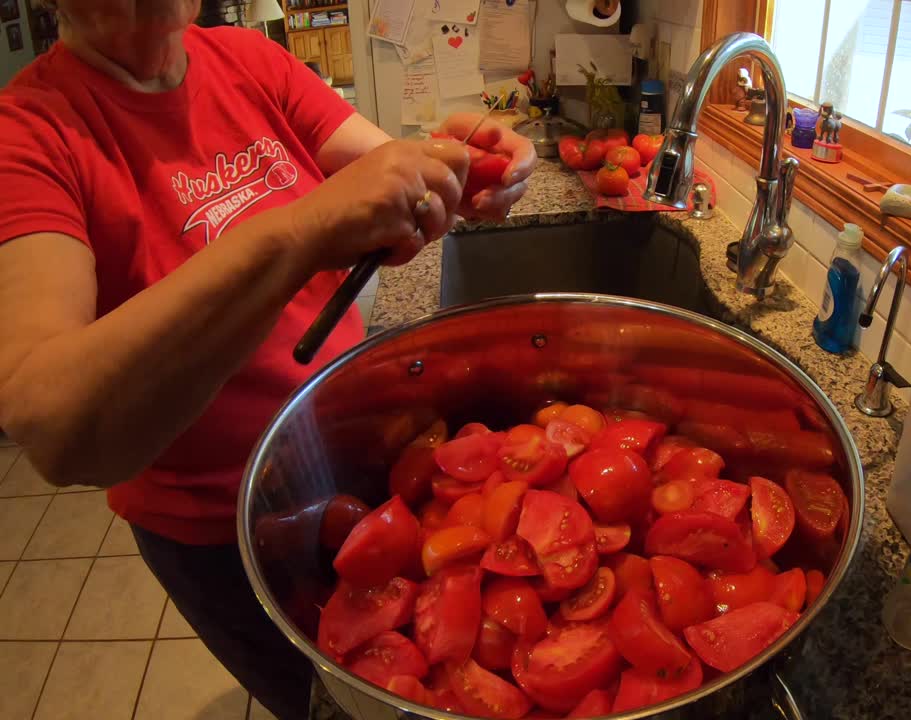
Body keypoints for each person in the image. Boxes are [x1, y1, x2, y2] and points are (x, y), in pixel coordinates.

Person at [0, 2, 536, 718]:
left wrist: (461, 169)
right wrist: (301, 231)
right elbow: (53, 425)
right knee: (326, 700)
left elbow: (386, 171)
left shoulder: (246, 59)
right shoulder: (26, 134)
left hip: (349, 449)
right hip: (225, 527)